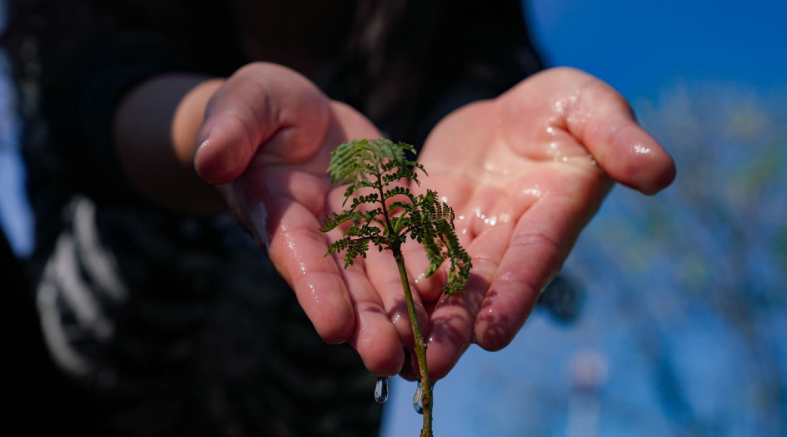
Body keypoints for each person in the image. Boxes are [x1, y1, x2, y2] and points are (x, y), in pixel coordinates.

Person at [3, 0, 676, 435]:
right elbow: (87, 90)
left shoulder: (452, 25)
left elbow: (483, 72)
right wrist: (218, 123)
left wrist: (495, 122)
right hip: (77, 391)